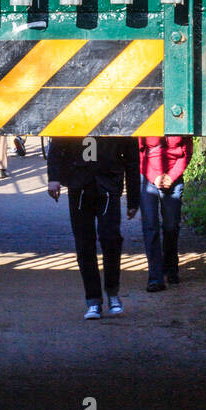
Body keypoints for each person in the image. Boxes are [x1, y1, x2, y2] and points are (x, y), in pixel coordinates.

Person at [46, 136, 140, 319]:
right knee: (84, 244)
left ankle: (112, 292)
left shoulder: (120, 113)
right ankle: (93, 300)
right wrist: (53, 177)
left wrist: (133, 200)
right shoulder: (73, 112)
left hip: (108, 185)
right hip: (79, 185)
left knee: (111, 239)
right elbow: (57, 143)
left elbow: (132, 158)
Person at [138, 135, 193, 291]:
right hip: (149, 177)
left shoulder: (181, 118)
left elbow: (187, 152)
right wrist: (154, 177)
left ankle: (171, 267)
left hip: (173, 178)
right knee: (150, 226)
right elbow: (139, 152)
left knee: (171, 225)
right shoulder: (145, 117)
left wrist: (172, 176)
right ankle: (155, 277)